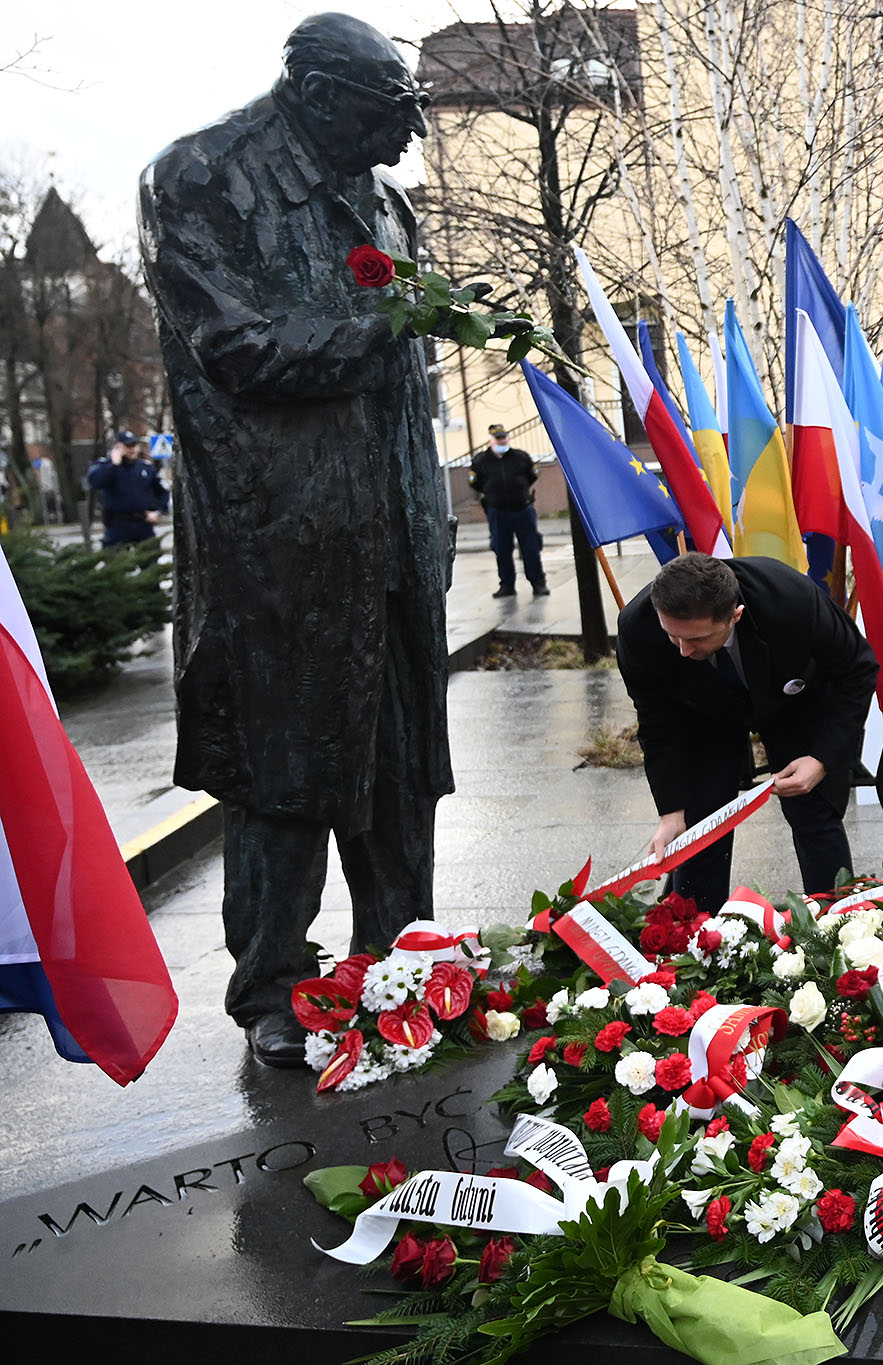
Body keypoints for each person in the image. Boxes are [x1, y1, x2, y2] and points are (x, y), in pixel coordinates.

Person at [138, 14, 453, 1066]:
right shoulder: (200, 179)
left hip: (396, 526)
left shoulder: (388, 201)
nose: (409, 140)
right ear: (321, 96)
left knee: (402, 766)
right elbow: (237, 349)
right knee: (287, 772)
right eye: (393, 112)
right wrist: (392, 329)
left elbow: (410, 369)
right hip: (281, 536)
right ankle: (275, 988)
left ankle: (403, 962)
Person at [616, 552, 878, 907]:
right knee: (699, 825)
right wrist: (671, 811)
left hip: (794, 697)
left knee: (812, 809)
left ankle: (839, 920)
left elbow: (858, 669)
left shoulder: (790, 599)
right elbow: (657, 724)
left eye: (696, 639)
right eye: (672, 636)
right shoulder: (638, 628)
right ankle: (697, 938)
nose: (681, 650)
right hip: (702, 709)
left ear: (734, 615)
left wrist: (821, 758)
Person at [470, 421, 548, 598]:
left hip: (522, 509)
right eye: (498, 439)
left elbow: (532, 475)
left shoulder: (521, 457)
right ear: (491, 441)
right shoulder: (481, 461)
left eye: (504, 438)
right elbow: (475, 483)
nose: (501, 441)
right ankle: (507, 585)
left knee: (531, 547)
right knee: (501, 549)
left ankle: (538, 583)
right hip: (498, 511)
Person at [85, 431, 168, 548]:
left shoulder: (146, 468)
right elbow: (95, 482)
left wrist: (158, 511)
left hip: (143, 525)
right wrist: (114, 465)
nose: (132, 449)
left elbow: (162, 491)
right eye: (127, 446)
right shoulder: (106, 466)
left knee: (150, 562)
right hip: (117, 525)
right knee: (118, 563)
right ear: (117, 447)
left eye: (134, 445)